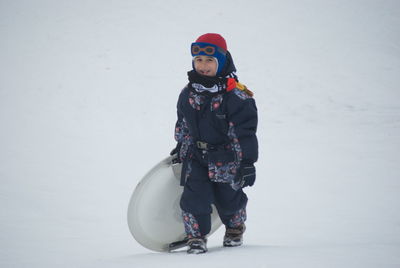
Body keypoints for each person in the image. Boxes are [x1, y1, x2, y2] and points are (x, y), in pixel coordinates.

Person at [171, 33, 258, 254]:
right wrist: (180, 146)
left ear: (221, 61)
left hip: (226, 158)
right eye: (198, 60)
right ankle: (195, 237)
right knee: (194, 198)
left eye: (209, 60)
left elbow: (244, 133)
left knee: (229, 199)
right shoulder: (188, 93)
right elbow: (183, 123)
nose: (203, 65)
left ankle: (235, 227)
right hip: (196, 157)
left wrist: (247, 162)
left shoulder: (236, 96)